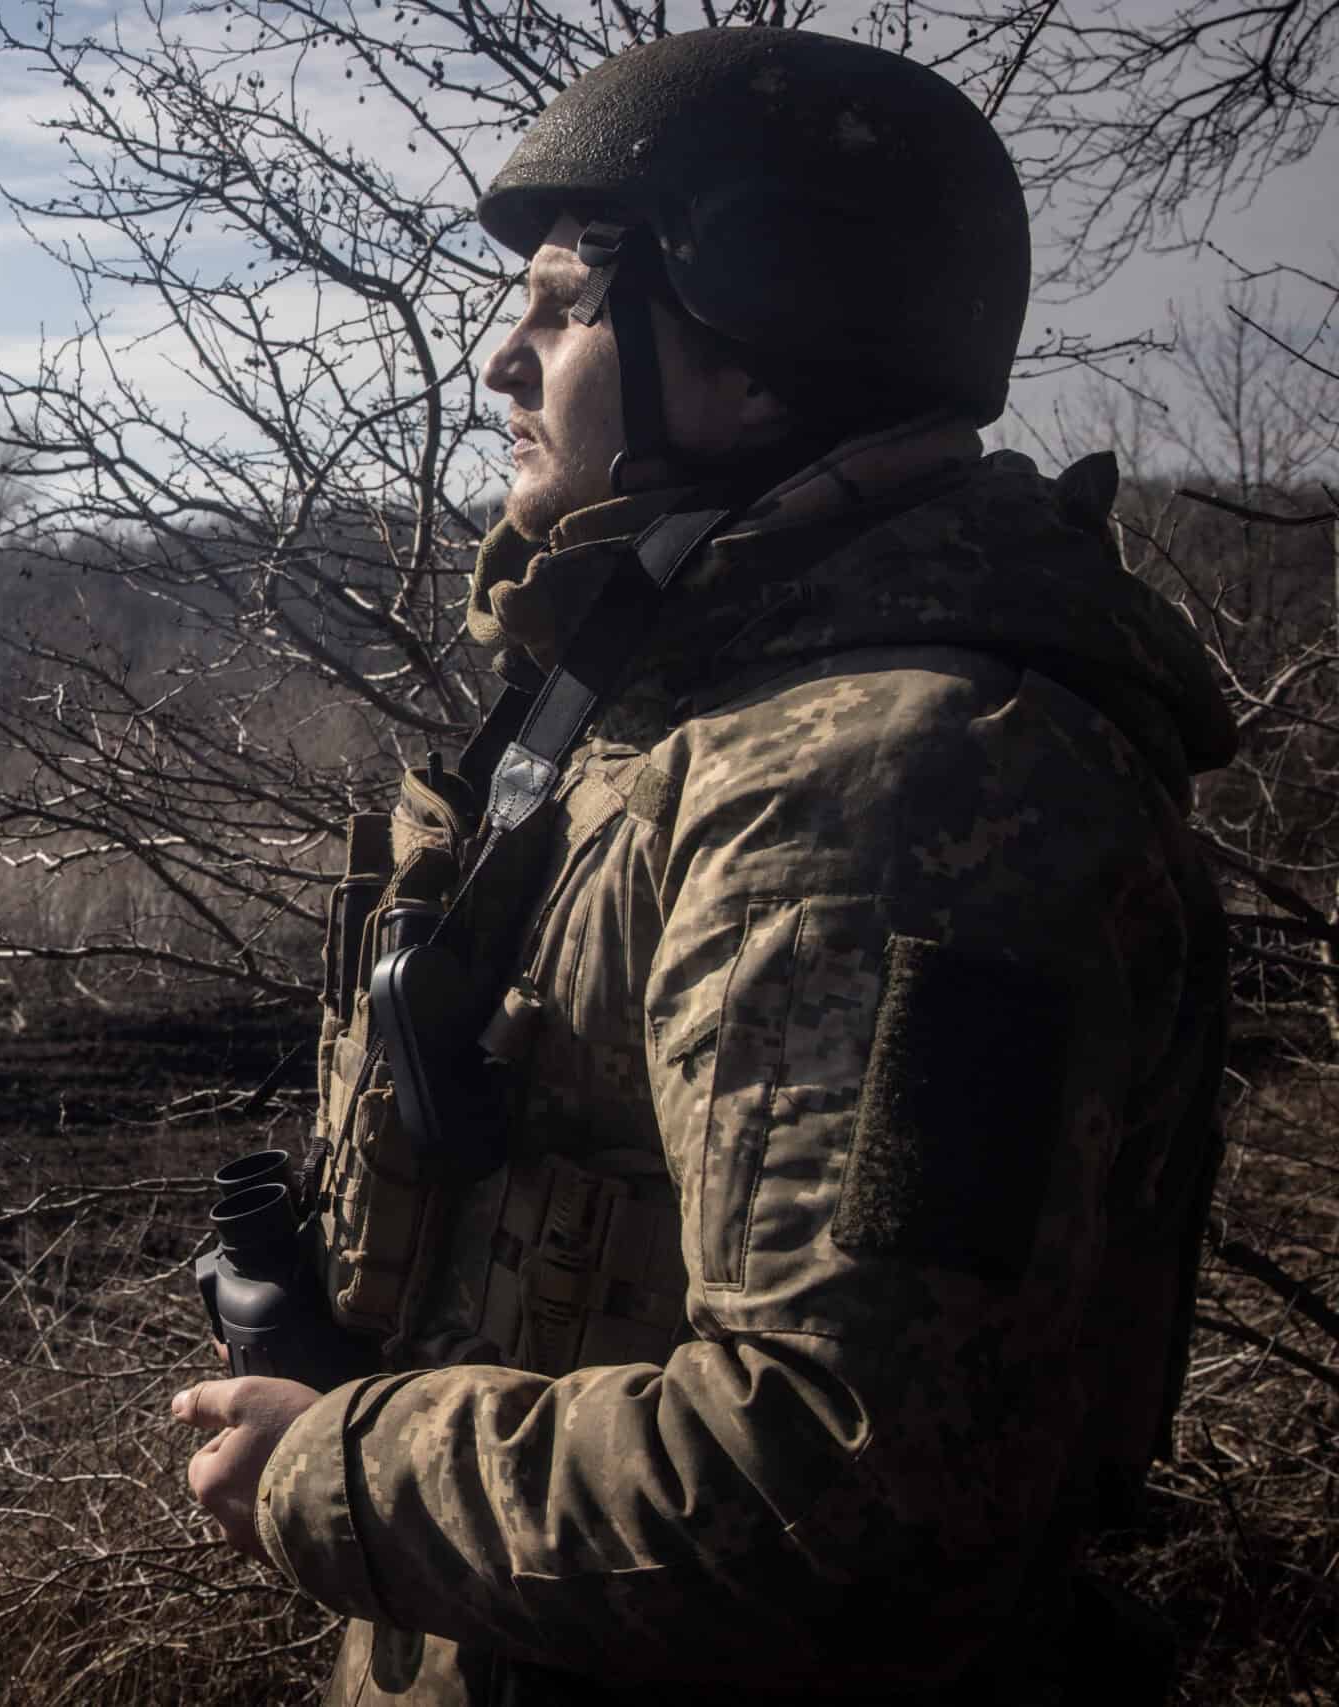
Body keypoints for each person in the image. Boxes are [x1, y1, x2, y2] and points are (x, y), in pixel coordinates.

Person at [170, 27, 1235, 1706]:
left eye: (565, 310)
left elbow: (846, 1474)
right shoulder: (670, 706)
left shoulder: (896, 784)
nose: (500, 368)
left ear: (756, 354)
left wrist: (335, 1467)